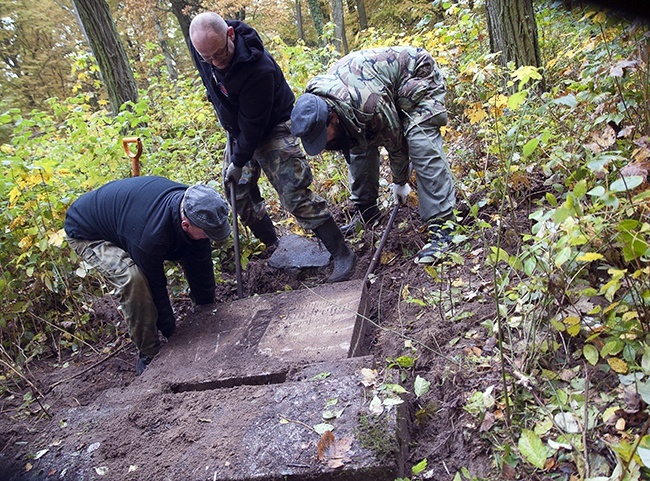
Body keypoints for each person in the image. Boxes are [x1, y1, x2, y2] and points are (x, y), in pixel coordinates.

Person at [188, 12, 355, 282]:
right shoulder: (205, 49)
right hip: (237, 128)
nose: (215, 63)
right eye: (207, 58)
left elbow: (254, 125)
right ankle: (274, 245)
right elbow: (213, 81)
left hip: (272, 124)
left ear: (230, 35)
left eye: (219, 54)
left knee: (294, 193)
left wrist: (238, 161)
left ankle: (342, 253)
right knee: (237, 192)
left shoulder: (259, 68)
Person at [290, 46, 457, 264]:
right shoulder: (314, 103)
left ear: (332, 118)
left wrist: (400, 182)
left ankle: (443, 228)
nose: (323, 144)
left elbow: (396, 143)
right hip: (374, 85)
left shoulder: (368, 104)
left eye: (323, 135)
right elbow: (356, 139)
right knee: (359, 146)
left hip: (415, 75)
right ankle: (366, 211)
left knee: (420, 142)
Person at [64, 176, 231, 375]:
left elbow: (200, 261)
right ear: (185, 224)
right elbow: (155, 288)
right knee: (133, 280)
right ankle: (148, 353)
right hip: (88, 231)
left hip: (127, 221)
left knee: (195, 246)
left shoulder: (196, 205)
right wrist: (174, 334)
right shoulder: (151, 237)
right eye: (207, 233)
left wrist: (206, 309)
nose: (209, 237)